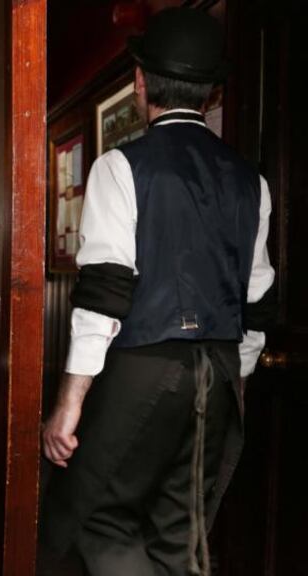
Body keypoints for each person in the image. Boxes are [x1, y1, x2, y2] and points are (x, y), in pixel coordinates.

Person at [39, 8, 275, 576]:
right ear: (213, 93)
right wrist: (235, 380)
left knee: (98, 517)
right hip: (219, 370)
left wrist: (69, 404)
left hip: (143, 367)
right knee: (183, 530)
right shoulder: (253, 182)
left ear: (141, 82)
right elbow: (257, 298)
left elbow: (105, 290)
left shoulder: (120, 167)